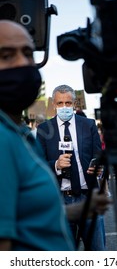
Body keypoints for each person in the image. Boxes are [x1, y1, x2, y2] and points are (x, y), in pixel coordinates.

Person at [0, 20, 111, 251]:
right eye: (6, 55)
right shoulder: (32, 132)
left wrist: (80, 209)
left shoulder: (20, 135)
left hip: (83, 197)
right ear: (54, 104)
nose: (22, 63)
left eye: (28, 53)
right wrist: (57, 165)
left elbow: (28, 215)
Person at [37, 84, 107, 250]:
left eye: (68, 103)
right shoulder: (44, 129)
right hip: (59, 200)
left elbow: (98, 155)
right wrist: (56, 164)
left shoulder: (88, 125)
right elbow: (38, 165)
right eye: (60, 103)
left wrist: (99, 166)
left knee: (97, 250)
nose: (64, 107)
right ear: (53, 105)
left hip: (88, 196)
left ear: (74, 104)